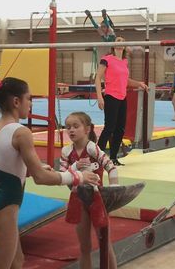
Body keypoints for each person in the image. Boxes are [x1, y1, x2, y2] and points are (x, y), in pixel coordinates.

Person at [0, 77, 99, 269]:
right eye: (29, 98)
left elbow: (5, 164)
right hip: (3, 211)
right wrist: (78, 177)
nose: (31, 103)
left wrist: (31, 168)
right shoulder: (21, 132)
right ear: (16, 101)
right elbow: (41, 178)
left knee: (17, 262)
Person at [60, 112, 119, 269]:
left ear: (87, 129)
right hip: (78, 199)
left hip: (97, 200)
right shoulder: (66, 152)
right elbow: (61, 176)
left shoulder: (92, 148)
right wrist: (74, 167)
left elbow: (112, 168)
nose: (71, 130)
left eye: (75, 126)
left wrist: (113, 191)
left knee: (105, 243)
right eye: (68, 127)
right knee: (84, 247)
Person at [95, 36, 149, 166]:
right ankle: (97, 157)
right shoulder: (106, 59)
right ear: (113, 45)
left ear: (124, 47)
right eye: (117, 41)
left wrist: (139, 84)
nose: (120, 43)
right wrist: (99, 97)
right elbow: (97, 78)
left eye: (122, 42)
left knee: (120, 129)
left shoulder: (124, 62)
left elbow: (126, 81)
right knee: (109, 128)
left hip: (122, 97)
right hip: (111, 96)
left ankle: (113, 158)